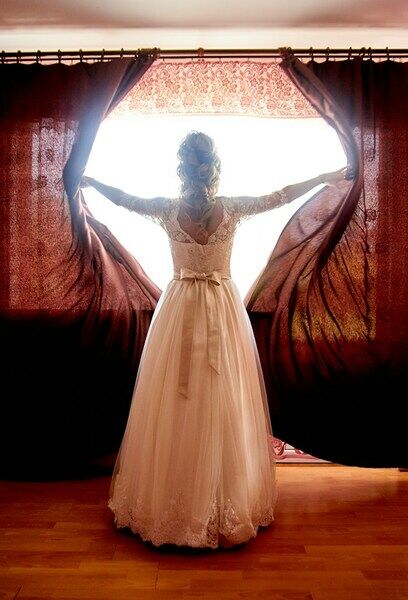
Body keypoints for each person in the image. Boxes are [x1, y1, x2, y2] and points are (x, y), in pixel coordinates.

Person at [80, 131, 345, 549]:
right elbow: (280, 196)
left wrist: (92, 182)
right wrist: (323, 177)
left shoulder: (167, 209)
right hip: (221, 305)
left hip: (181, 306)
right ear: (214, 168)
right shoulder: (232, 208)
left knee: (177, 396)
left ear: (182, 168)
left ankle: (177, 502)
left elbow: (125, 199)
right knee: (222, 393)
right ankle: (218, 501)